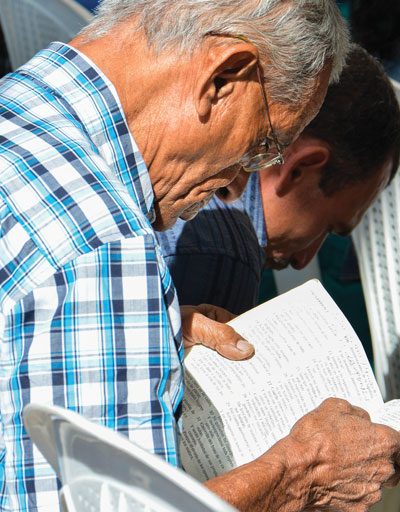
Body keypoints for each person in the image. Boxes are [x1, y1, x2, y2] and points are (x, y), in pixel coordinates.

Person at [0, 2, 397, 511]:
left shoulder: (20, 105)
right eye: (261, 146)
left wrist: (142, 327)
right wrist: (302, 475)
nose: (235, 183)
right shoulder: (105, 249)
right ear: (224, 78)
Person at [157, 44, 400, 314]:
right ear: (298, 169)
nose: (302, 260)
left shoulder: (161, 146)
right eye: (328, 228)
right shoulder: (226, 255)